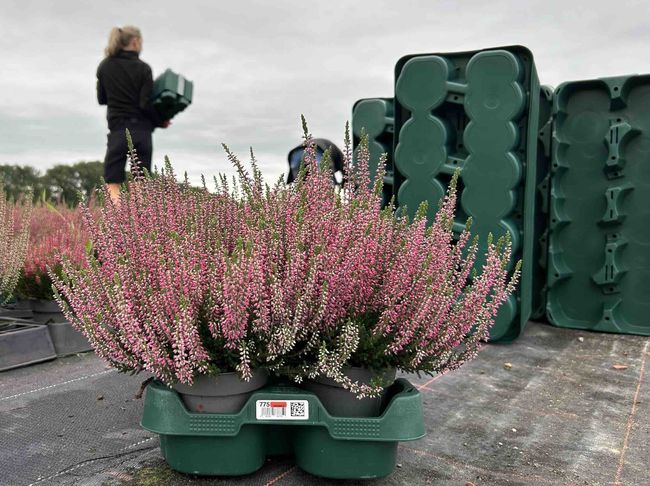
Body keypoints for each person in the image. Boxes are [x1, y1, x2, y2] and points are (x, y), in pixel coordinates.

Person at [96, 26, 169, 203]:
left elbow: (101, 99)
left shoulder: (105, 66)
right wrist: (161, 121)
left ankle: (115, 225)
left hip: (118, 129)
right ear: (135, 42)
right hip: (142, 130)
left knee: (113, 181)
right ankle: (140, 225)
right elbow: (145, 104)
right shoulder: (144, 68)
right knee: (140, 182)